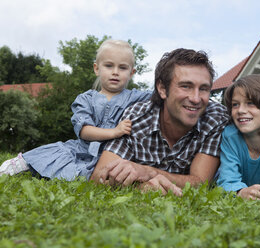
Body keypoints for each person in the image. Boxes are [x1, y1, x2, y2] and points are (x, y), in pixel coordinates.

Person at [0, 39, 151, 180]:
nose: (115, 72)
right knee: (56, 153)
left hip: (112, 154)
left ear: (131, 73)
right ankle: (21, 164)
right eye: (109, 66)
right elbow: (84, 131)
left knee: (106, 173)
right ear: (96, 68)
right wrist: (115, 132)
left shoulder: (135, 97)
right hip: (81, 149)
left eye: (123, 67)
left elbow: (162, 96)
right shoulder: (86, 99)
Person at [90, 48, 229, 196]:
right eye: (185, 86)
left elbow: (201, 182)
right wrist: (140, 188)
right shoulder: (137, 118)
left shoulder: (216, 118)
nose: (196, 98)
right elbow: (98, 177)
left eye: (204, 89)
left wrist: (148, 172)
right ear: (162, 89)